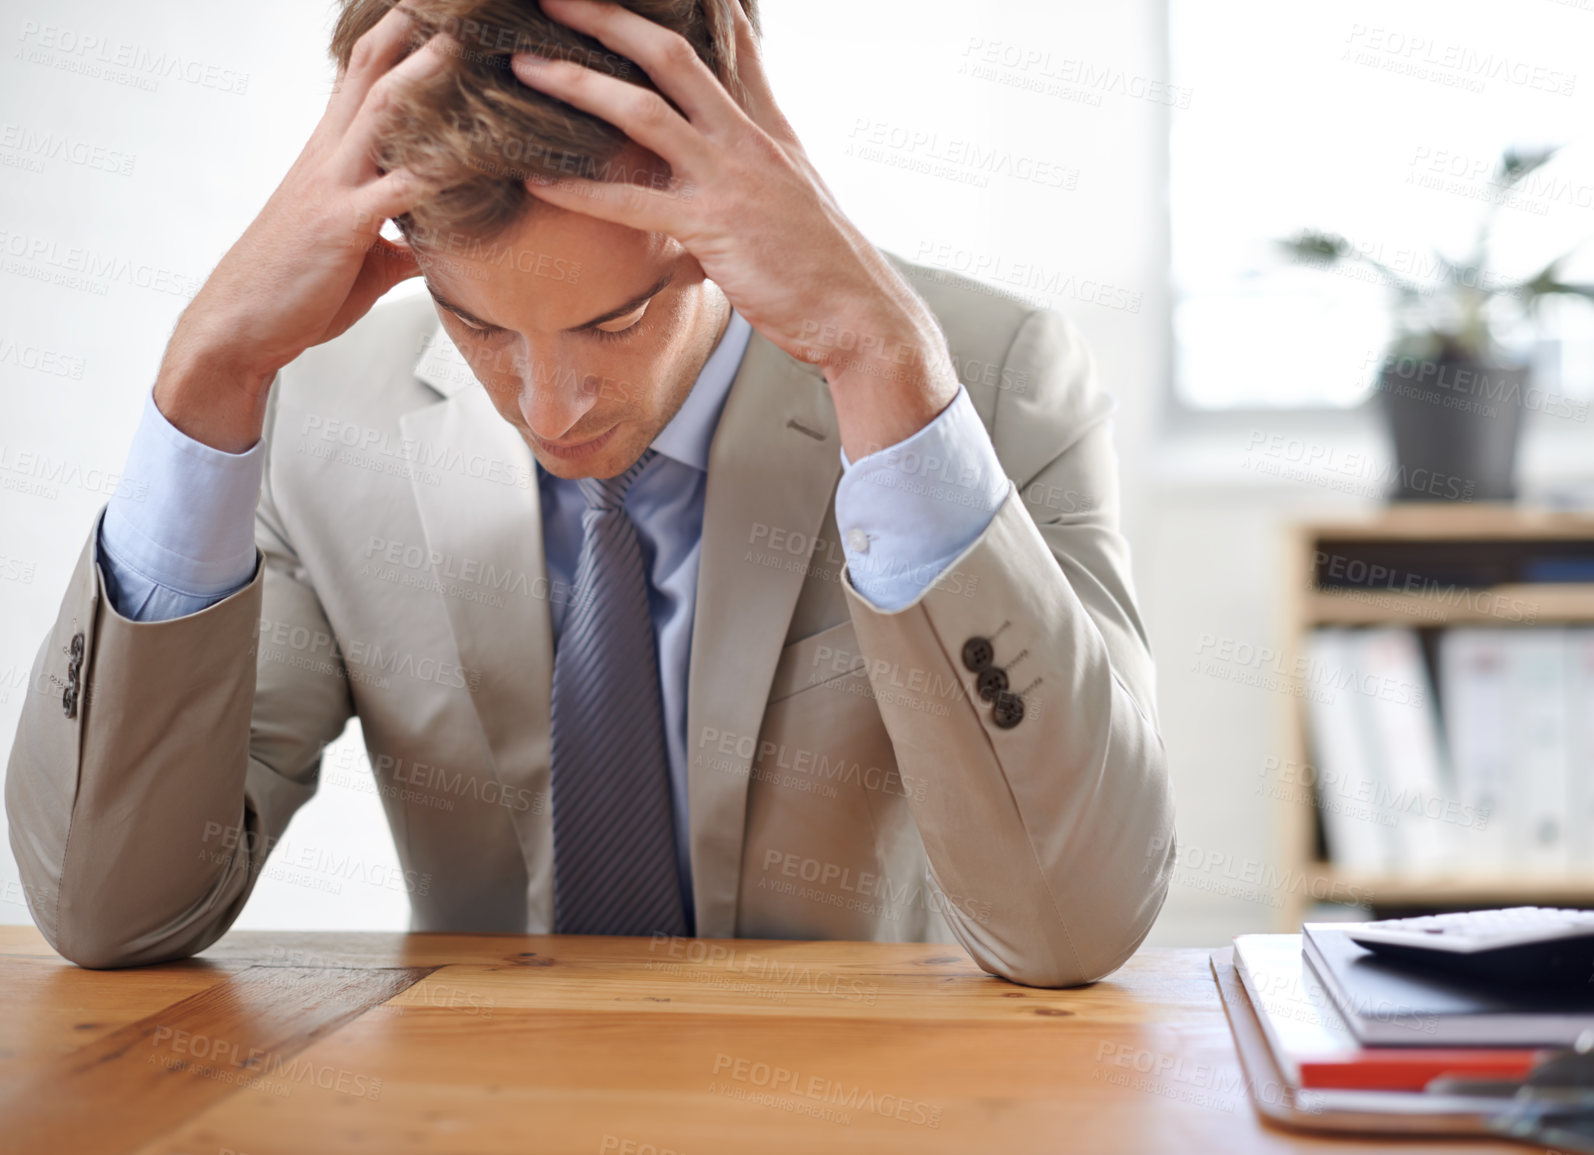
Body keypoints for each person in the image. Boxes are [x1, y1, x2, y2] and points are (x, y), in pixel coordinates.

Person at [4, 0, 1176, 988]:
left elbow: (1073, 926)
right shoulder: (318, 419)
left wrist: (885, 376)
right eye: (477, 324)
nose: (551, 406)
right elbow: (113, 914)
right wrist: (204, 382)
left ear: (737, 193)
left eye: (618, 320)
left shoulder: (985, 376)